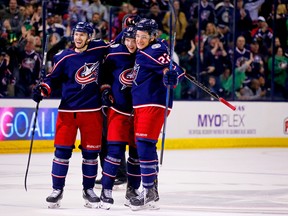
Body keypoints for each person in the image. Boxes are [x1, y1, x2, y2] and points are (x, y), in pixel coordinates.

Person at [32, 21, 108, 209]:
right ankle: (57, 189)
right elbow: (52, 79)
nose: (78, 38)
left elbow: (120, 43)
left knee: (91, 154)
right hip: (68, 112)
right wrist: (43, 89)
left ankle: (88, 190)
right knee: (61, 153)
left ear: (89, 37)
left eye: (82, 35)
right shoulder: (64, 57)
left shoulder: (98, 50)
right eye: (76, 34)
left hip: (92, 112)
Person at [128, 18, 185, 211]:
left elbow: (172, 68)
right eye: (137, 36)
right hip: (144, 104)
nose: (139, 40)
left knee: (144, 145)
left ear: (153, 36)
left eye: (144, 36)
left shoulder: (154, 50)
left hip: (152, 103)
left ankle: (148, 190)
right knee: (147, 145)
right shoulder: (146, 51)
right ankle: (151, 191)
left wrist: (172, 74)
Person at [99, 26, 141, 210]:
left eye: (134, 40)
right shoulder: (114, 54)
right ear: (123, 39)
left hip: (138, 112)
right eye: (128, 40)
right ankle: (106, 190)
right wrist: (105, 89)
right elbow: (104, 72)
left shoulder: (145, 55)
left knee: (135, 155)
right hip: (118, 110)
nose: (131, 44)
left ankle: (132, 190)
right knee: (114, 152)